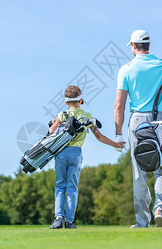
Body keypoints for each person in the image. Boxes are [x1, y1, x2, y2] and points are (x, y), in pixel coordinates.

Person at [114, 30, 162, 228]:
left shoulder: (126, 69)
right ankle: (160, 209)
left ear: (133, 46)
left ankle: (142, 221)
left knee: (140, 172)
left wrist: (118, 133)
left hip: (138, 121)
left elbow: (119, 106)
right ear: (148, 45)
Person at [48, 85, 125, 229]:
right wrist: (116, 144)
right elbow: (99, 136)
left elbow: (51, 132)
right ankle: (70, 222)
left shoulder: (62, 114)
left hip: (61, 153)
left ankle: (58, 218)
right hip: (76, 153)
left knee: (60, 186)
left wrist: (54, 124)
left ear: (66, 102)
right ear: (81, 100)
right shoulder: (88, 116)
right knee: (72, 187)